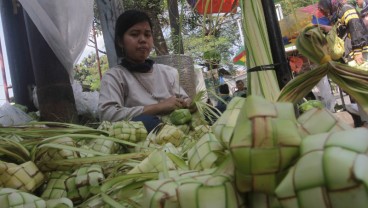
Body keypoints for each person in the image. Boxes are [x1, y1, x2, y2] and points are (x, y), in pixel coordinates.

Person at [98, 10, 192, 132]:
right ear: (121, 41)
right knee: (147, 122)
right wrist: (159, 107)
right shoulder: (115, 76)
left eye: (147, 34)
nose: (143, 40)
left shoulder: (168, 72)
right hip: (146, 136)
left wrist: (188, 103)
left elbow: (184, 98)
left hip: (178, 129)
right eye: (134, 34)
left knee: (220, 109)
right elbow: (107, 115)